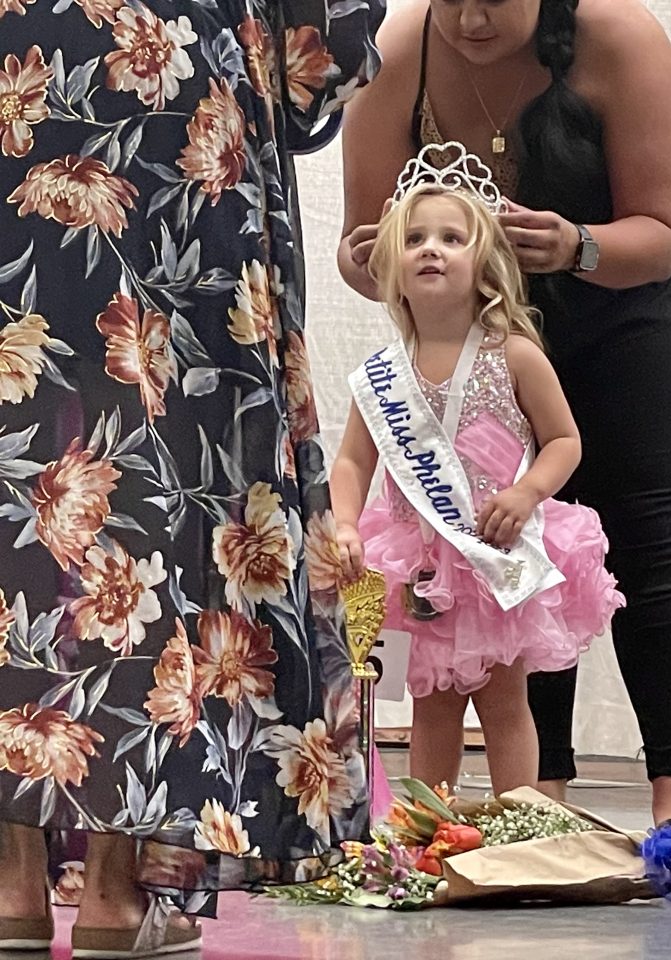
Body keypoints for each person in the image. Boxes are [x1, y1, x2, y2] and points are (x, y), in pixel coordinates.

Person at [0, 0, 383, 956]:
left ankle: (7, 882)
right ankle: (117, 891)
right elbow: (323, 45)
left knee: (15, 460)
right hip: (173, 99)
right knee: (163, 469)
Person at [337, 0, 671, 829]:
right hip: (487, 324)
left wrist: (576, 244)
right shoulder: (398, 52)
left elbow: (659, 237)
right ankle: (538, 793)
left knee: (653, 534)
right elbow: (359, 246)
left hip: (640, 306)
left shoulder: (621, 37)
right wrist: (380, 258)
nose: (472, 18)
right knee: (507, 541)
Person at [329, 165, 623, 796]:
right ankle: (430, 827)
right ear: (391, 267)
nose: (430, 249)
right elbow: (353, 461)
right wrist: (346, 523)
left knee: (504, 701)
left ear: (484, 263)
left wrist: (527, 492)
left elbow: (565, 440)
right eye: (414, 239)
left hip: (495, 557)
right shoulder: (382, 375)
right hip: (418, 563)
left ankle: (518, 822)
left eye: (451, 238)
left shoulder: (514, 353)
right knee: (433, 705)